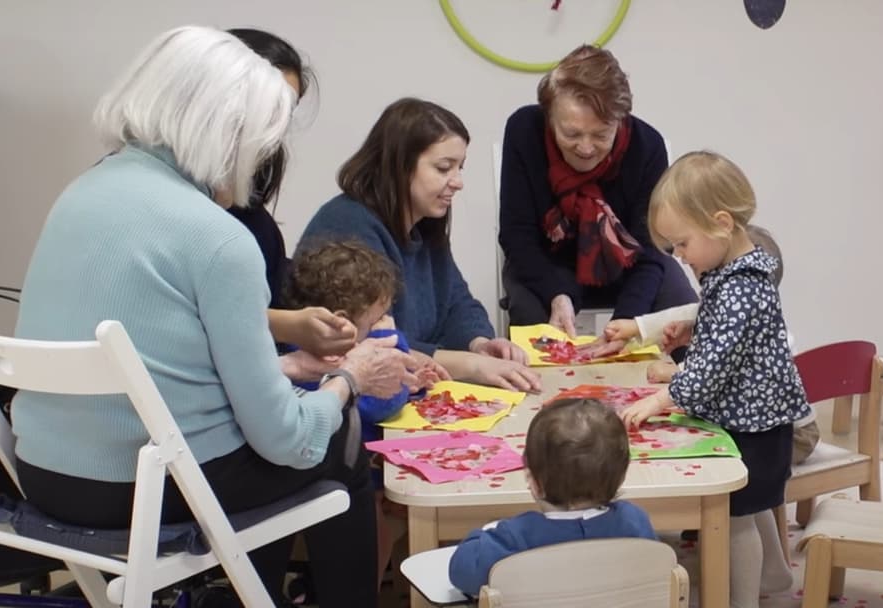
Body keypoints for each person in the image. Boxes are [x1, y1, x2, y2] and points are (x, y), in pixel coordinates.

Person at [9, 26, 418, 607]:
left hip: (44, 474)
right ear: (229, 133)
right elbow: (289, 442)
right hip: (145, 489)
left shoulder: (81, 192)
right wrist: (346, 379)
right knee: (340, 442)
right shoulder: (219, 238)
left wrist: (290, 369)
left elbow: (161, 362)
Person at [618, 151, 811, 608]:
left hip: (756, 425)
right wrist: (697, 326)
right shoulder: (736, 273)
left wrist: (662, 398)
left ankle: (740, 599)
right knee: (752, 499)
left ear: (721, 223)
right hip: (758, 419)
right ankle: (776, 574)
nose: (679, 257)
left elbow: (714, 366)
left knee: (736, 515)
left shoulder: (740, 286)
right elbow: (729, 337)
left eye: (681, 244)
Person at [300, 97, 542, 393]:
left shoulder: (424, 224)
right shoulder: (347, 225)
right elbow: (373, 341)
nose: (458, 182)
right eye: (444, 168)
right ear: (400, 166)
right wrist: (471, 365)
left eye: (460, 168)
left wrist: (479, 344)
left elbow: (457, 301)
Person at [498, 44, 697, 355]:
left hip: (628, 266)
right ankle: (547, 402)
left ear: (621, 119)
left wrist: (626, 325)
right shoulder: (524, 130)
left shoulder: (647, 147)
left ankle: (681, 395)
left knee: (681, 309)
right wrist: (557, 293)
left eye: (602, 135)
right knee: (529, 319)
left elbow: (652, 249)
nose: (586, 148)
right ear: (550, 116)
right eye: (572, 134)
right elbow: (516, 234)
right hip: (545, 262)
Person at [283, 239, 445, 591]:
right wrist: (388, 342)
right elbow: (380, 403)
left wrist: (410, 380)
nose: (386, 324)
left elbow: (386, 387)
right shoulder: (326, 359)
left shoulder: (330, 348)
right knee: (378, 533)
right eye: (377, 320)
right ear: (341, 323)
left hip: (358, 466)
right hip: (346, 473)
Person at [604, 224, 820, 465]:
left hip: (793, 435)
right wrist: (676, 329)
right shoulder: (732, 300)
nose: (695, 272)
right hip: (757, 425)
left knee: (708, 458)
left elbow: (717, 366)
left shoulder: (744, 306)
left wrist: (671, 381)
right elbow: (696, 322)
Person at [226, 27, 359, 362]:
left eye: (288, 109)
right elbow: (197, 318)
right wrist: (287, 326)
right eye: (270, 105)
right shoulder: (178, 205)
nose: (279, 124)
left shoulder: (252, 216)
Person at [448, 398, 656, 596]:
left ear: (535, 484)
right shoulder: (634, 521)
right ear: (620, 477)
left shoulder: (515, 537)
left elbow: (461, 572)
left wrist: (483, 534)